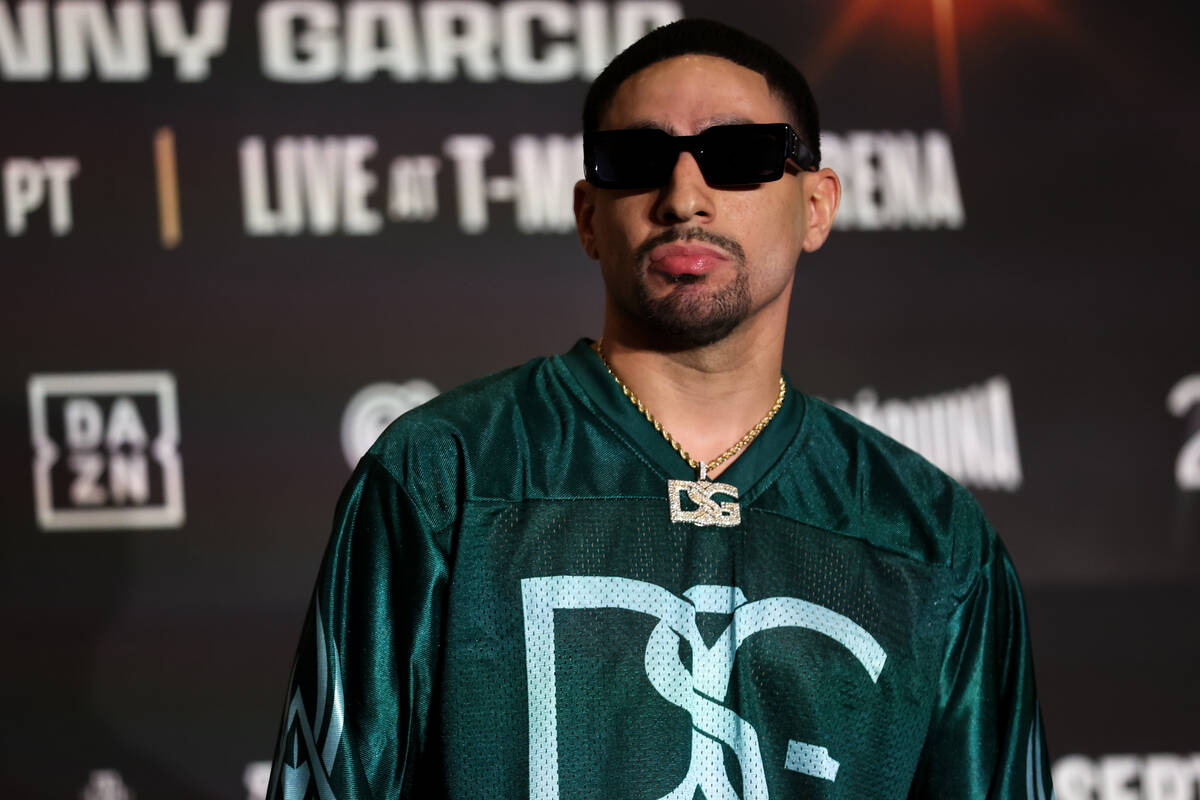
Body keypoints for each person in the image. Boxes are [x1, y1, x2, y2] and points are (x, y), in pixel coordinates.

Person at [266, 18, 1054, 800]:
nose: (684, 196)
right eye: (637, 160)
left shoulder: (931, 537)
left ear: (816, 205)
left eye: (738, 156)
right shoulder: (445, 476)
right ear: (587, 215)